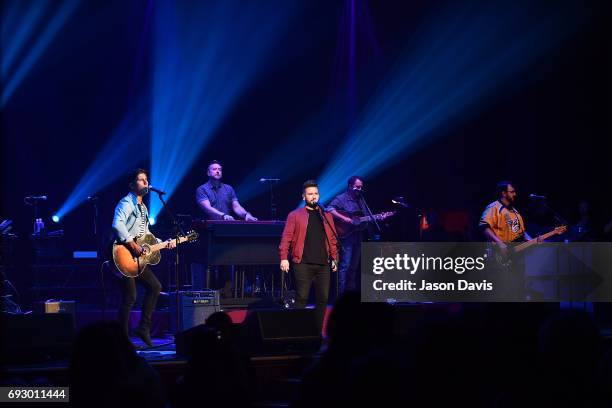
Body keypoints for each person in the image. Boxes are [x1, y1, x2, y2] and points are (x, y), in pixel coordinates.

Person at [112, 168, 175, 347]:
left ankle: (143, 328)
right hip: (124, 255)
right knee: (130, 297)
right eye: (141, 180)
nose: (146, 183)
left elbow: (145, 233)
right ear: (132, 185)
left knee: (155, 287)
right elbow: (117, 225)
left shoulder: (143, 207)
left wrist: (164, 242)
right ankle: (121, 339)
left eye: (146, 179)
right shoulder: (126, 203)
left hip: (137, 259)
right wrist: (132, 245)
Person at [279, 180, 338, 332]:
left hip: (323, 264)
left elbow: (332, 238)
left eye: (316, 193)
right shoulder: (295, 215)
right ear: (304, 196)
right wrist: (284, 257)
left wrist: (334, 258)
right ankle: (299, 330)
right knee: (302, 298)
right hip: (302, 263)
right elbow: (286, 237)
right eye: (310, 194)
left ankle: (316, 331)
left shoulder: (326, 215)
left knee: (323, 299)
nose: (314, 196)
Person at [326, 176, 367, 294]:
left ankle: (351, 295)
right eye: (357, 187)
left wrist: (377, 217)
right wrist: (344, 218)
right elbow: (329, 209)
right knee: (345, 265)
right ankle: (341, 295)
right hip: (347, 237)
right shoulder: (341, 198)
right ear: (350, 186)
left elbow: (361, 217)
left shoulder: (361, 200)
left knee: (354, 267)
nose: (360, 189)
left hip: (358, 236)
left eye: (361, 187)